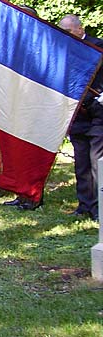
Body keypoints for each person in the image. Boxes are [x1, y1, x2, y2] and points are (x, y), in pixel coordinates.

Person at [59, 13, 103, 220]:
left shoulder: (98, 47)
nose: (65, 35)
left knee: (96, 160)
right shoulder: (63, 51)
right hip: (77, 112)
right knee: (81, 161)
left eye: (68, 31)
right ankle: (85, 205)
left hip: (98, 111)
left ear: (80, 29)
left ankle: (99, 208)